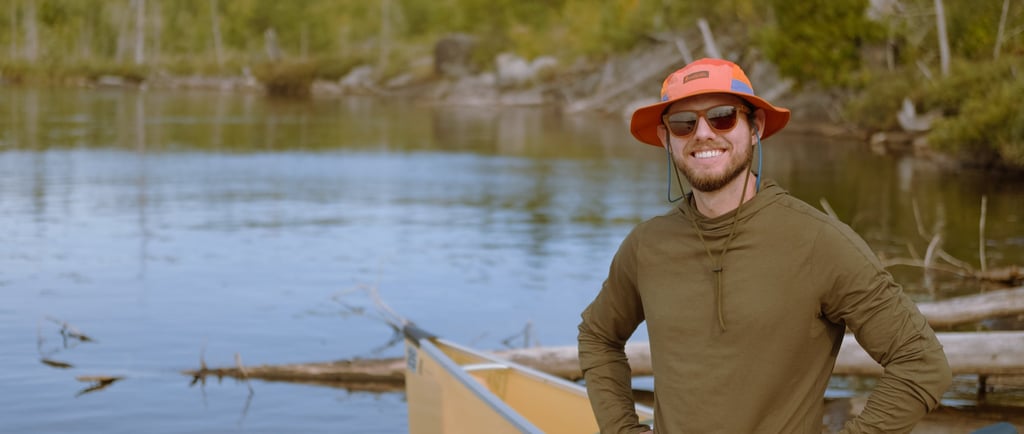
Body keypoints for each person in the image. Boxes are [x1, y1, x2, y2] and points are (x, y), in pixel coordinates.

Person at [577, 58, 952, 434]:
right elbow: (598, 335)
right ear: (666, 139)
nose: (702, 134)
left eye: (723, 117)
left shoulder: (819, 242)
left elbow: (920, 361)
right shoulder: (647, 246)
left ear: (755, 127)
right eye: (683, 123)